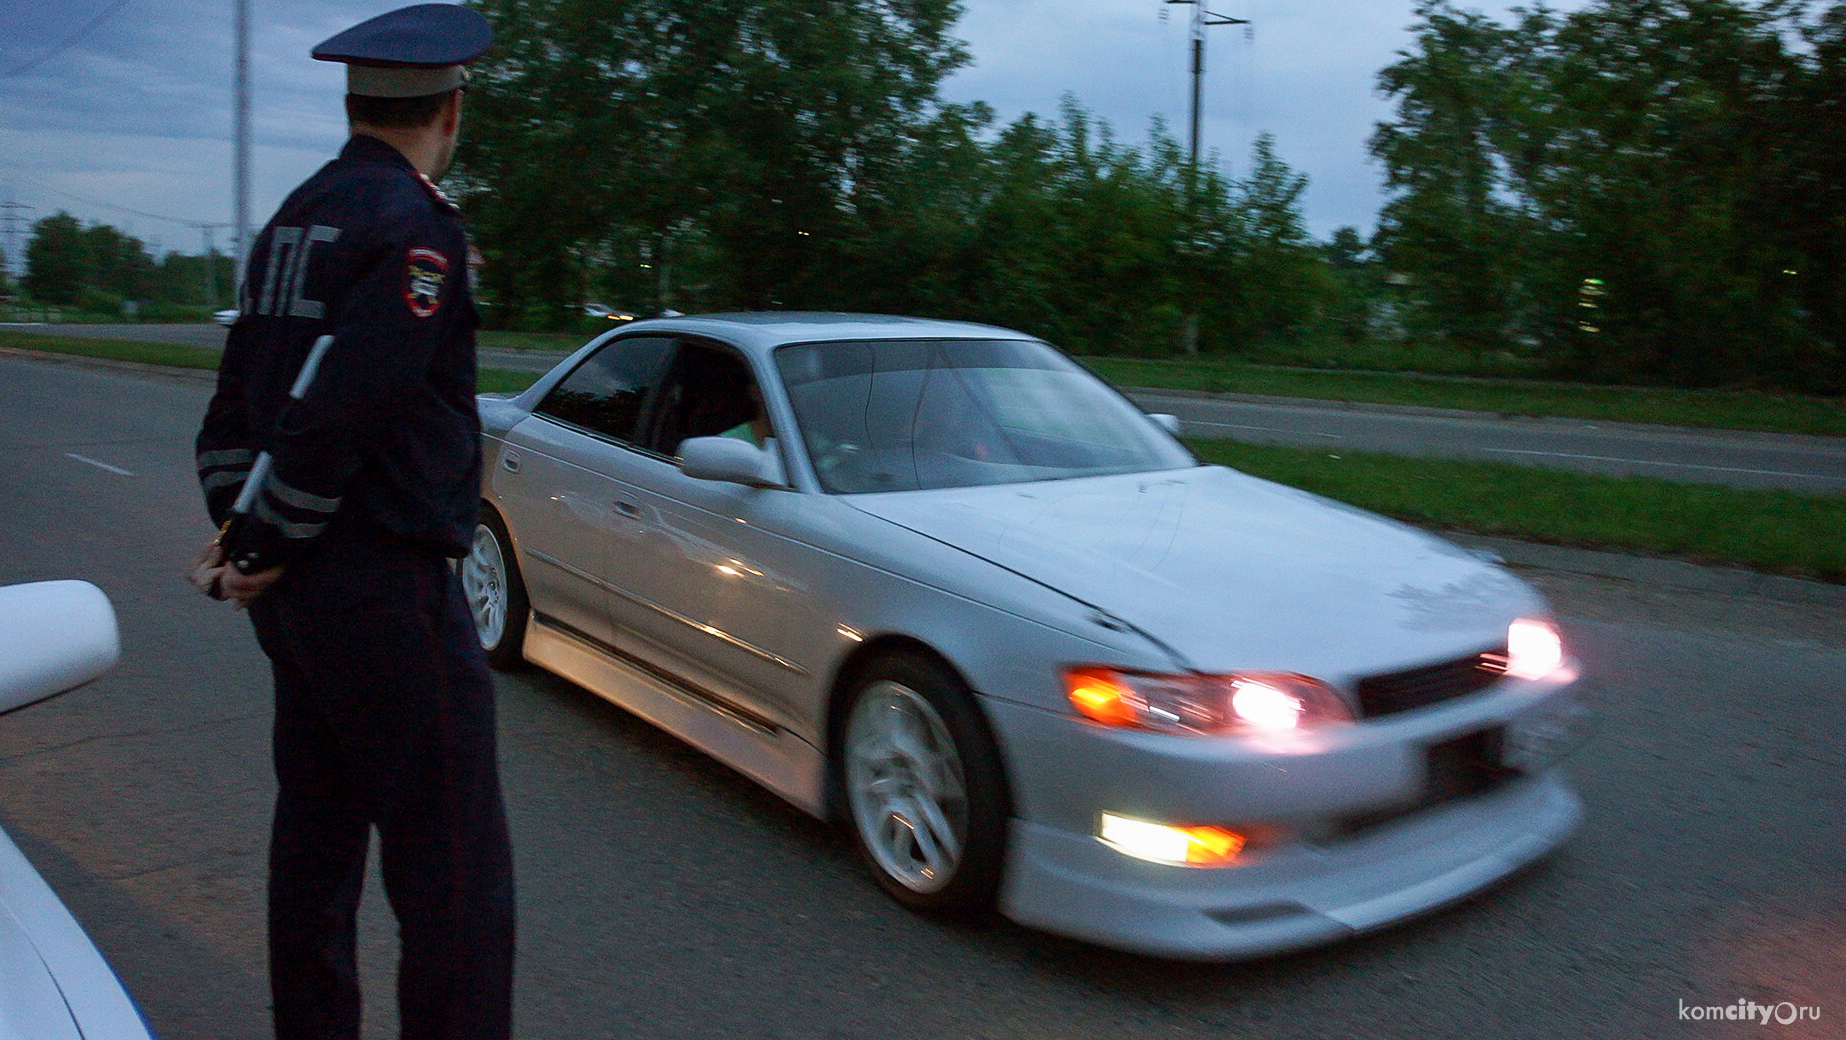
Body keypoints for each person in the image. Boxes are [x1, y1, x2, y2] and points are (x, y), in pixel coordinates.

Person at [186, 6, 513, 1038]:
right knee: (456, 879)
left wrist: (248, 549)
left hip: (297, 604)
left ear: (356, 102)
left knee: (316, 848)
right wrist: (267, 543)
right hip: (388, 595)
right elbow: (350, 407)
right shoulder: (417, 230)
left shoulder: (293, 218)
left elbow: (231, 411)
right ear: (449, 109)